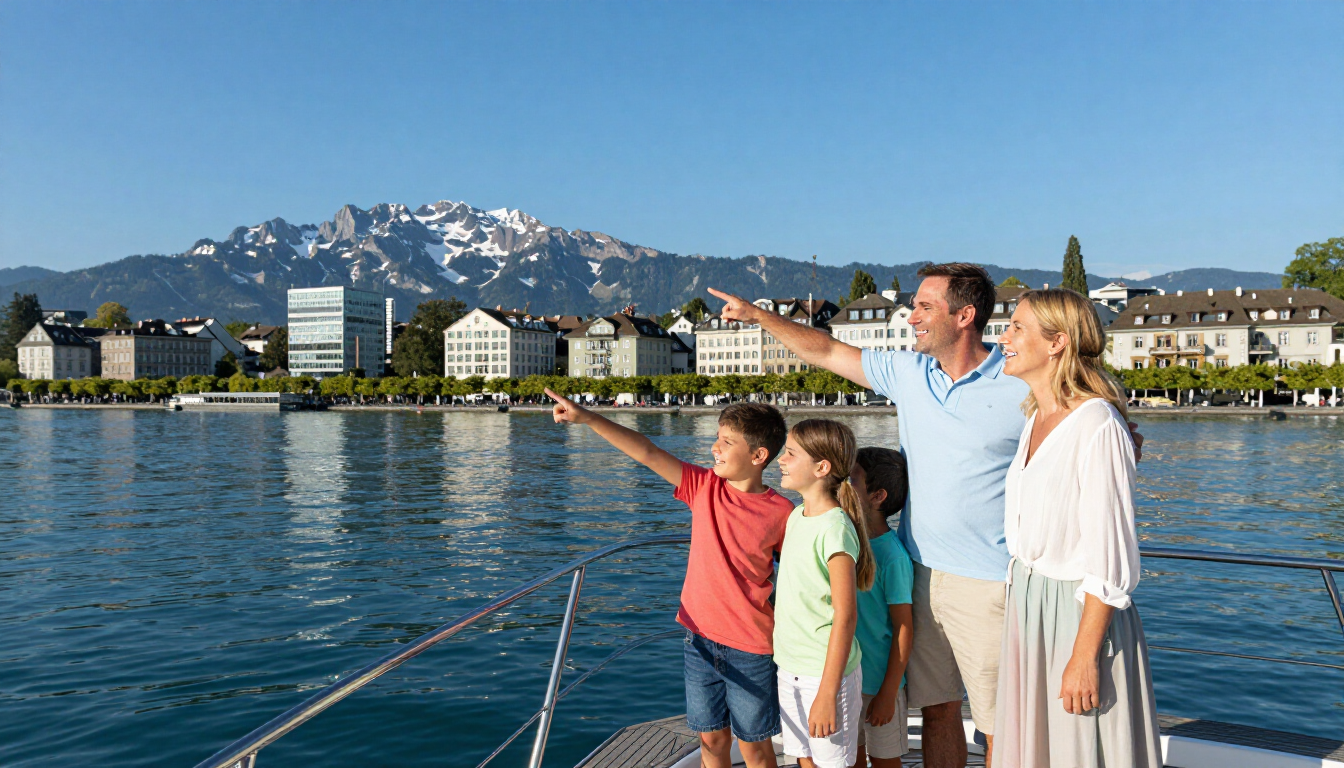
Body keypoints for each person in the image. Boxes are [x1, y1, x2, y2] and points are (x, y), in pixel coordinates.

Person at [709, 264, 1143, 768]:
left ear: (964, 315)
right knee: (938, 710)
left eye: (924, 307)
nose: (911, 316)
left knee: (1001, 724)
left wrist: (1124, 436)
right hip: (919, 575)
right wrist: (758, 315)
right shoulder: (909, 373)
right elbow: (825, 350)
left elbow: (1092, 429)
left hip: (993, 585)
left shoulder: (1018, 382)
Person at [545, 389, 792, 768]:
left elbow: (799, 575)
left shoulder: (783, 512)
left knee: (755, 748)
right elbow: (647, 452)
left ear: (759, 456)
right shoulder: (705, 487)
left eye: (726, 442)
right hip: (699, 639)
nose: (714, 448)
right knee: (710, 739)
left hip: (752, 646)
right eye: (717, 438)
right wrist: (590, 418)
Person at [993, 289, 1162, 767]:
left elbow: (1110, 557)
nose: (1003, 337)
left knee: (1079, 750)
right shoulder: (1037, 417)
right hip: (1030, 605)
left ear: (1057, 343)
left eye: (1016, 327)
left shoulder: (1096, 425)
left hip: (1074, 616)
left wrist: (1084, 656)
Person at [773, 419, 873, 768]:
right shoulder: (798, 515)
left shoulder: (834, 528)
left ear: (821, 467)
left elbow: (845, 616)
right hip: (789, 666)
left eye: (790, 453)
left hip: (824, 675)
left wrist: (828, 693)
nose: (780, 460)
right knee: (803, 758)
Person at [850, 447, 915, 768]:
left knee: (885, 761)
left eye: (852, 480)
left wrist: (888, 693)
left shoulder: (892, 557)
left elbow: (904, 627)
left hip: (879, 685)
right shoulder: (843, 540)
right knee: (850, 759)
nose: (842, 485)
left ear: (877, 496)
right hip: (847, 678)